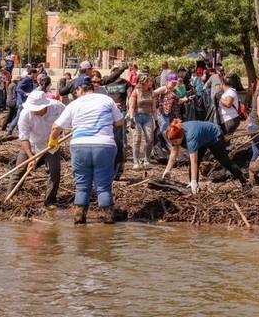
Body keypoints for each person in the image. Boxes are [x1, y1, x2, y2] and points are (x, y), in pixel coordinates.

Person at [50, 77, 124, 224]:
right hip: (104, 146)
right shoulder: (107, 100)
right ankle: (108, 222)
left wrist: (53, 140)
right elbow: (120, 121)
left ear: (79, 89)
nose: (75, 94)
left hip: (80, 146)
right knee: (103, 186)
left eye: (75, 91)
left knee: (82, 186)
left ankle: (79, 220)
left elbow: (56, 127)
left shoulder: (74, 104)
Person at [161, 118, 250, 195]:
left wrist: (194, 181)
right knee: (193, 163)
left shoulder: (191, 138)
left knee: (225, 162)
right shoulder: (176, 132)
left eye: (176, 142)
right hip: (201, 138)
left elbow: (194, 162)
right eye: (172, 142)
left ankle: (244, 180)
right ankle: (194, 188)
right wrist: (167, 170)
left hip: (214, 136)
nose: (174, 144)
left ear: (182, 136)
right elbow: (173, 154)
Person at [14, 88, 66, 210]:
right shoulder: (25, 114)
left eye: (36, 109)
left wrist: (59, 133)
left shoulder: (58, 107)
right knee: (19, 170)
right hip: (32, 145)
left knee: (54, 172)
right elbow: (24, 138)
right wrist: (31, 157)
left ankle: (50, 201)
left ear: (45, 106)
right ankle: (10, 196)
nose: (34, 111)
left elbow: (69, 118)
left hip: (51, 145)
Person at [128, 74, 156, 170]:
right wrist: (131, 119)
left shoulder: (151, 92)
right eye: (149, 82)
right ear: (142, 83)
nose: (151, 83)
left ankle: (147, 160)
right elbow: (131, 106)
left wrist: (156, 120)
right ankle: (136, 161)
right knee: (137, 139)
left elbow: (154, 108)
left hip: (148, 117)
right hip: (137, 116)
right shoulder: (135, 92)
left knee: (150, 139)